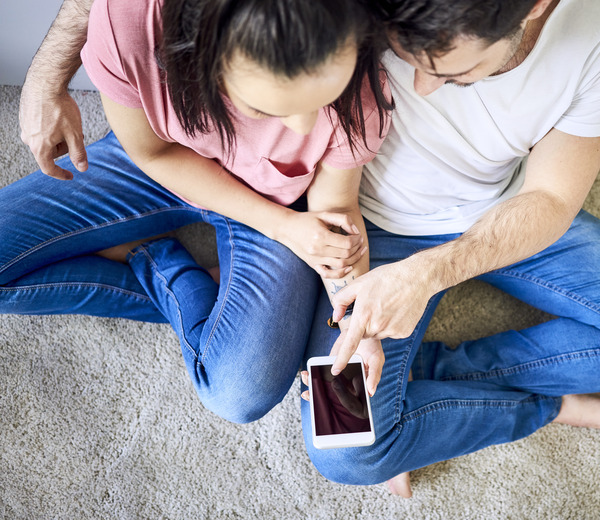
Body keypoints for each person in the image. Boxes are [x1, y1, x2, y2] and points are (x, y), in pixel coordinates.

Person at [299, 0, 600, 497]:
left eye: (457, 71)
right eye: (405, 57)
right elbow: (332, 197)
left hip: (506, 213)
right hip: (374, 228)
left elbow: (553, 197)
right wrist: (357, 299)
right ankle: (549, 405)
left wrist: (429, 274)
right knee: (348, 455)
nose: (419, 88)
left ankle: (426, 374)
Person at [3, 0, 391, 424]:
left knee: (239, 392)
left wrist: (359, 324)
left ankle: (156, 259)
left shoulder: (364, 93)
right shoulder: (130, 21)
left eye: (323, 98)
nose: (302, 127)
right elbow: (151, 153)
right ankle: (206, 286)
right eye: (266, 109)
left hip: (281, 205)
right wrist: (282, 228)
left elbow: (335, 215)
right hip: (166, 160)